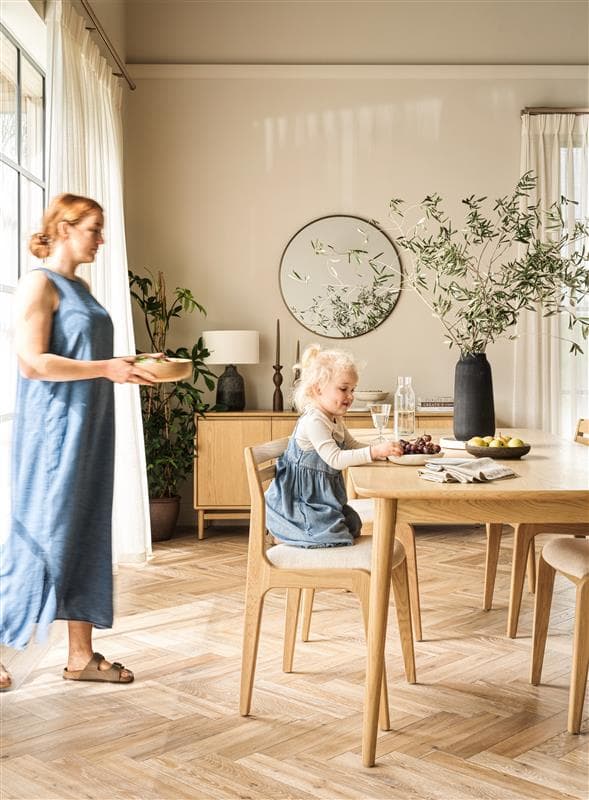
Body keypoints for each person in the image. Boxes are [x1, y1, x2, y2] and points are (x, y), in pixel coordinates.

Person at [0, 193, 155, 690]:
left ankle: (81, 656)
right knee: (43, 539)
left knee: (86, 532)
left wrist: (124, 366)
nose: (101, 239)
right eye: (94, 229)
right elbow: (32, 362)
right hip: (53, 434)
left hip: (90, 428)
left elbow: (87, 354)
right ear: (65, 229)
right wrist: (104, 369)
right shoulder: (37, 284)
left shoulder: (79, 286)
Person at [265, 344, 403, 548]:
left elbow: (352, 445)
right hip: (302, 502)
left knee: (353, 525)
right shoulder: (314, 421)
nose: (351, 396)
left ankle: (302, 532)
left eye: (353, 390)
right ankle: (285, 534)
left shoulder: (334, 418)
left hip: (325, 498)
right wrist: (374, 452)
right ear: (318, 389)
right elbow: (335, 459)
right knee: (336, 536)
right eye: (343, 389)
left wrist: (382, 452)